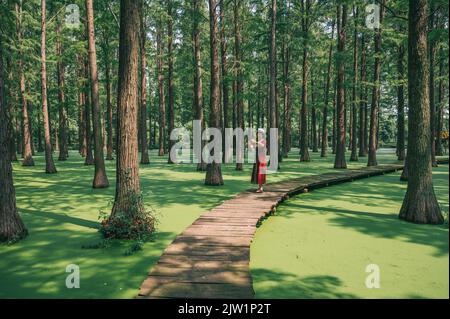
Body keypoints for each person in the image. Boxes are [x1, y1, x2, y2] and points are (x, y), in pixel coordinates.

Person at [250, 129, 267, 193]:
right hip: (257, 159)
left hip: (262, 159)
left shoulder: (263, 141)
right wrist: (251, 145)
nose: (258, 134)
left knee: (260, 173)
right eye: (258, 133)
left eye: (260, 133)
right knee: (257, 172)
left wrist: (255, 142)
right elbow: (253, 147)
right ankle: (260, 187)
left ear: (262, 134)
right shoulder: (259, 141)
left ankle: (261, 188)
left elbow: (261, 145)